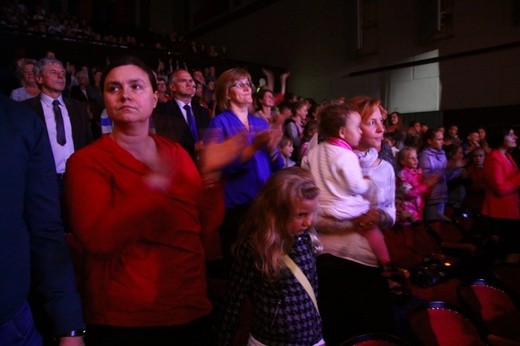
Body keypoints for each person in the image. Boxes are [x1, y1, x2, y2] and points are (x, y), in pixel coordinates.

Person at [64, 57, 221, 345]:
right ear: (106, 102)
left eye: (136, 86)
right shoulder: (86, 162)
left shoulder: (175, 153)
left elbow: (204, 224)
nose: (125, 95)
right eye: (114, 88)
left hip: (190, 303)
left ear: (155, 98)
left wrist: (213, 178)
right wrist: (153, 186)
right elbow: (97, 240)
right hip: (128, 316)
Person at [0, 94, 85, 345]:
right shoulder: (27, 111)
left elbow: (44, 230)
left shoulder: (18, 120)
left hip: (9, 317)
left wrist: (69, 326)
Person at [312, 96, 396, 345]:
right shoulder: (322, 158)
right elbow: (311, 213)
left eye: (382, 121)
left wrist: (379, 215)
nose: (382, 129)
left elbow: (390, 213)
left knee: (374, 332)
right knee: (338, 331)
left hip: (367, 263)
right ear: (353, 128)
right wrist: (348, 221)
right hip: (329, 261)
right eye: (373, 123)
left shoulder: (385, 168)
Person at [217, 167, 324, 346]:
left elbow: (312, 293)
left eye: (312, 213)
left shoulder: (306, 239)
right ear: (275, 211)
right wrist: (222, 338)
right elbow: (234, 299)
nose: (309, 221)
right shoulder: (254, 248)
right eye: (300, 215)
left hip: (311, 338)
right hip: (269, 340)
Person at [201, 68, 284, 266]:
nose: (247, 88)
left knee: (264, 264)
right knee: (239, 266)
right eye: (239, 84)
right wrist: (253, 147)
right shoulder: (219, 123)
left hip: (263, 204)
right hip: (237, 206)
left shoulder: (260, 123)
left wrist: (272, 149)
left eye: (248, 83)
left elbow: (278, 166)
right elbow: (221, 167)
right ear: (226, 94)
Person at [301, 102, 391, 268]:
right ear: (342, 132)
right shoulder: (346, 155)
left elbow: (306, 171)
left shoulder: (314, 152)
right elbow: (355, 186)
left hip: (320, 208)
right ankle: (385, 263)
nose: (360, 131)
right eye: (359, 127)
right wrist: (368, 184)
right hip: (345, 211)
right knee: (373, 232)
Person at [23, 58, 93, 181]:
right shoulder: (26, 110)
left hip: (77, 178)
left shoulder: (78, 108)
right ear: (39, 78)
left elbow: (88, 144)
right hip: (42, 181)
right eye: (54, 72)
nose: (61, 76)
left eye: (62, 73)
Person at [153, 69, 210, 163]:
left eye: (191, 81)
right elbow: (166, 145)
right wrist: (193, 147)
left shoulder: (202, 111)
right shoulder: (163, 112)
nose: (189, 84)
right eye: (183, 81)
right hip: (178, 164)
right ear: (172, 87)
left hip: (204, 164)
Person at [481, 125, 520, 258]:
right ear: (501, 138)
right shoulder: (494, 158)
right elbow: (500, 189)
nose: (515, 137)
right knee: (502, 253)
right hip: (499, 213)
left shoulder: (507, 155)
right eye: (511, 134)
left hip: (509, 211)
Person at [419, 128, 462, 222]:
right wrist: (446, 169)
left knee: (439, 225)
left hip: (442, 195)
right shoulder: (425, 156)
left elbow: (445, 177)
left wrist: (456, 170)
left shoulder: (442, 154)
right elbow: (427, 179)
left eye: (442, 139)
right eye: (439, 139)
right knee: (433, 225)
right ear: (430, 141)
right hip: (432, 196)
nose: (442, 142)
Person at [396, 147, 437, 223]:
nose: (415, 160)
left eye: (416, 157)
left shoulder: (419, 173)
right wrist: (425, 185)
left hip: (418, 210)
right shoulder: (402, 175)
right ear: (403, 161)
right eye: (412, 158)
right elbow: (408, 193)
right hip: (407, 211)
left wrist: (430, 184)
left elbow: (425, 193)